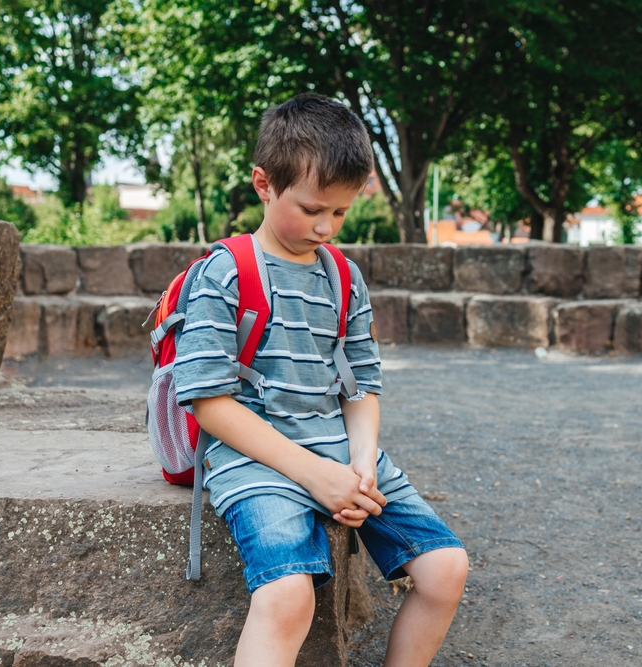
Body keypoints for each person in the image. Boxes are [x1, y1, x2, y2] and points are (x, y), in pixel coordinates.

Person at [172, 93, 468, 667]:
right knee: (287, 597)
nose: (327, 227)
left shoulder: (343, 276)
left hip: (337, 445)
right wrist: (316, 476)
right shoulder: (224, 272)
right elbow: (208, 401)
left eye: (341, 211)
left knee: (445, 568)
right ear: (263, 182)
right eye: (312, 209)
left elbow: (361, 384)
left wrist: (360, 463)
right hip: (254, 458)